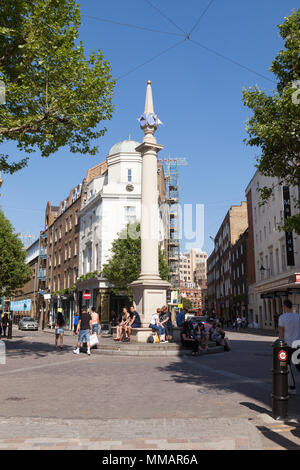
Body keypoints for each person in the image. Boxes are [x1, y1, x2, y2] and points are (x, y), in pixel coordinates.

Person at [279, 299, 300, 396]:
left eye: (283, 306)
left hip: (287, 346)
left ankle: (292, 387)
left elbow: (281, 332)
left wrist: (280, 343)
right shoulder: (298, 317)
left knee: (286, 366)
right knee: (299, 366)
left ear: (285, 306)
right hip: (297, 345)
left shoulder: (282, 317)